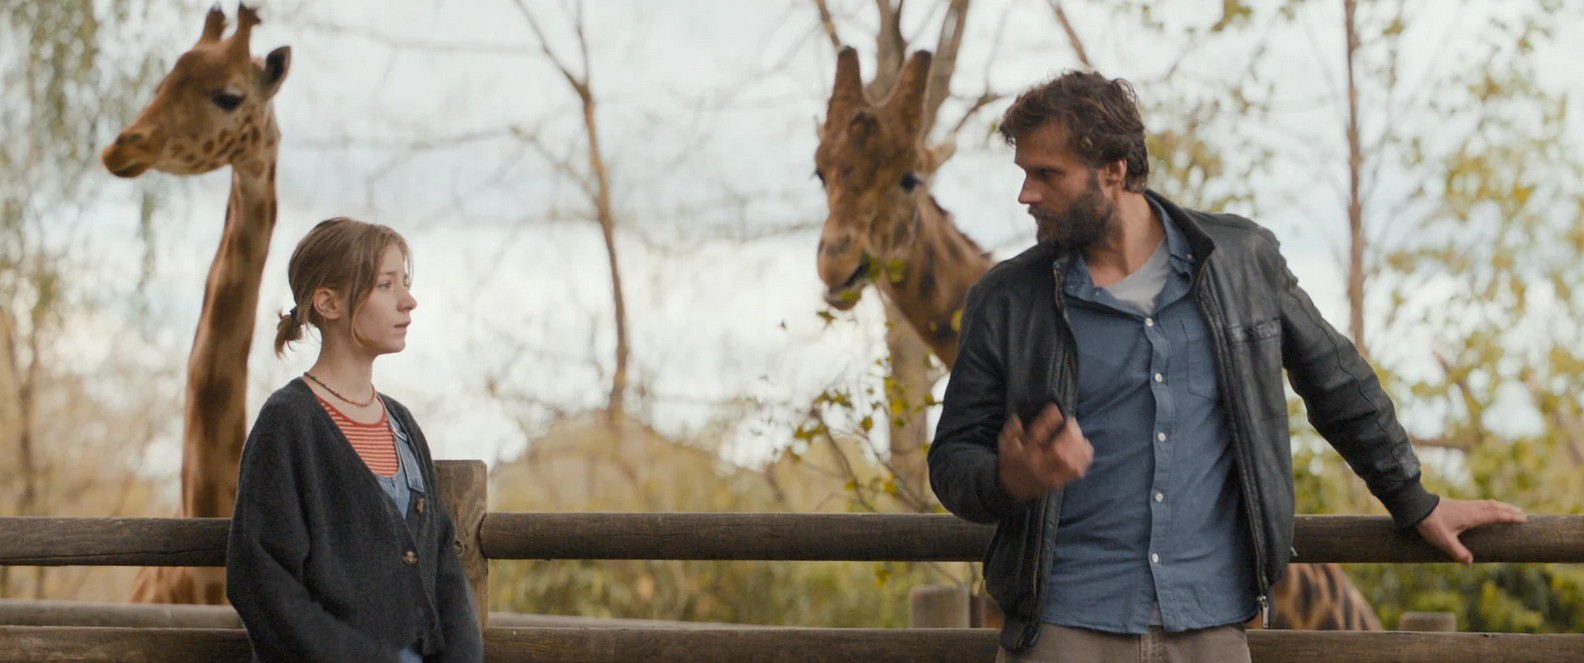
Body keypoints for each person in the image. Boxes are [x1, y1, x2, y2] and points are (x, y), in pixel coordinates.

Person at [927, 71, 1526, 661]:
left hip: (1211, 626)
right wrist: (1013, 479)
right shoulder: (1006, 300)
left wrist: (1414, 500)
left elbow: (1337, 382)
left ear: (1113, 169)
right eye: (1024, 173)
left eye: (1046, 174)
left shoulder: (1241, 262)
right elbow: (954, 461)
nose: (1026, 194)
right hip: (1062, 631)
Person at [226, 217, 483, 662]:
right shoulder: (287, 424)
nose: (409, 301)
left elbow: (443, 564)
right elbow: (262, 582)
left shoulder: (401, 424)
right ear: (328, 302)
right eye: (386, 285)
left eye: (405, 283)